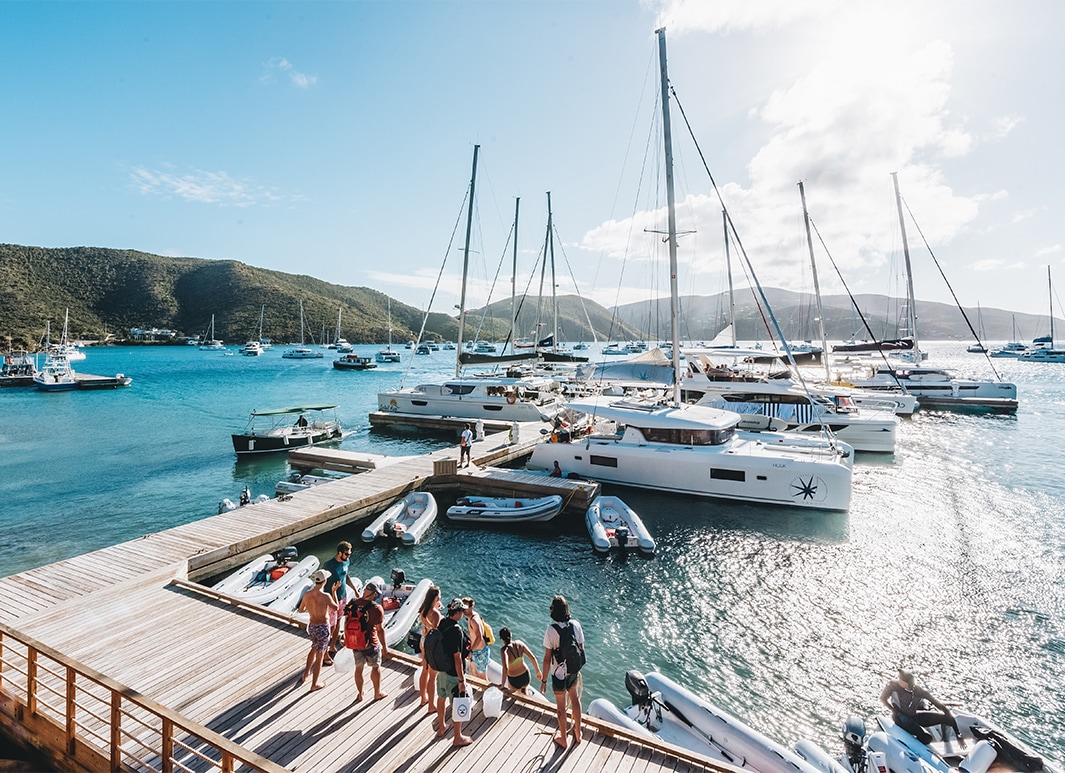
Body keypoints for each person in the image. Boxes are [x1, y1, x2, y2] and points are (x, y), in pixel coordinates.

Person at [541, 595, 584, 749]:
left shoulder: (551, 630)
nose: (549, 608)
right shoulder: (576, 625)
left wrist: (544, 681)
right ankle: (578, 734)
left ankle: (563, 739)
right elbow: (581, 648)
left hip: (559, 674)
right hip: (573, 670)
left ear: (555, 611)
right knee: (574, 699)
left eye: (551, 606)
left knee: (560, 707)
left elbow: (547, 659)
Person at [880, 669, 959, 744]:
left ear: (909, 683)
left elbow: (936, 703)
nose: (899, 681)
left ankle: (946, 741)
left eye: (901, 681)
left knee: (945, 718)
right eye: (899, 679)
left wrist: (947, 714)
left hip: (913, 716)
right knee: (927, 737)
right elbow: (883, 699)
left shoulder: (918, 691)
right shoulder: (893, 685)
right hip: (899, 718)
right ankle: (911, 745)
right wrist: (896, 712)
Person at [436, 598, 473, 747]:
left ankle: (441, 727)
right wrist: (461, 680)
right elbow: (457, 657)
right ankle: (457, 737)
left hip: (442, 671)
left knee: (441, 697)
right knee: (457, 703)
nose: (463, 614)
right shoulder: (456, 630)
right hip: (453, 674)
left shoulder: (443, 623)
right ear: (457, 612)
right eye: (462, 611)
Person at [345, 581, 388, 702]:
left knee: (358, 669)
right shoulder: (376, 608)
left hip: (355, 642)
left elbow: (345, 616)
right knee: (375, 667)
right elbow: (380, 630)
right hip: (370, 644)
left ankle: (360, 693)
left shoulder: (353, 603)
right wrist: (385, 647)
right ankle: (377, 693)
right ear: (374, 594)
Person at [297, 569, 340, 691]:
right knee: (320, 656)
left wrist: (310, 609)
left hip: (312, 626)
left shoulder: (307, 594)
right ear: (325, 581)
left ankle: (306, 674)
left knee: (313, 648)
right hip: (322, 627)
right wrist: (334, 592)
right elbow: (336, 608)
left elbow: (300, 610)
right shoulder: (325, 596)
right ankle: (314, 684)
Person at [322, 542, 359, 656]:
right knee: (331, 625)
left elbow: (346, 576)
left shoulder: (346, 561)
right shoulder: (329, 565)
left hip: (342, 597)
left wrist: (355, 590)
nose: (348, 557)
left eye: (349, 554)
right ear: (339, 553)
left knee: (338, 621)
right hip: (332, 599)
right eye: (346, 554)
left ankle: (332, 645)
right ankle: (325, 650)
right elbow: (322, 582)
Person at [418, 585, 443, 713]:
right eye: (439, 596)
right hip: (431, 645)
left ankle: (423, 698)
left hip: (423, 641)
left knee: (424, 671)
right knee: (433, 676)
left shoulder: (423, 609)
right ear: (435, 598)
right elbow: (436, 632)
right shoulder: (436, 614)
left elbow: (427, 626)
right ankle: (431, 706)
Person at [498, 626, 542, 693]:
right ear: (511, 635)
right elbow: (532, 657)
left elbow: (505, 668)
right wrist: (538, 671)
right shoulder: (519, 643)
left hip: (514, 679)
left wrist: (502, 685)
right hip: (525, 676)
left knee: (514, 697)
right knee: (524, 692)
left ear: (501, 639)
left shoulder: (504, 650)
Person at [462, 596, 488, 677]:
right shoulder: (470, 617)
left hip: (480, 652)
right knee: (473, 672)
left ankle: (488, 690)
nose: (464, 610)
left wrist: (471, 651)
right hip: (475, 651)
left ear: (471, 607)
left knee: (482, 677)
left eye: (466, 607)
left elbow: (479, 637)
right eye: (463, 607)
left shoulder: (474, 620)